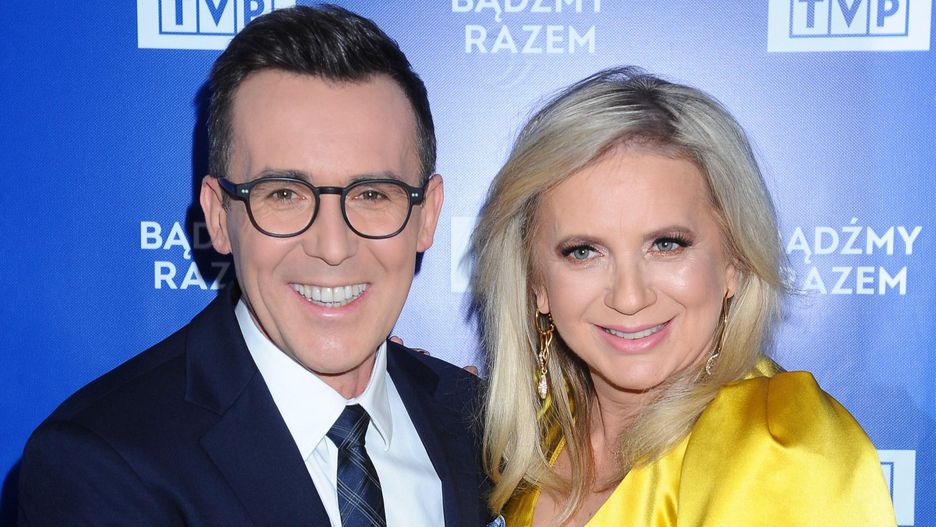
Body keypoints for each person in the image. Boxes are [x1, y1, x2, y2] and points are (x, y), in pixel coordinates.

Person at [18, 6, 487, 526]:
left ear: (427, 215)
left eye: (372, 194)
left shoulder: (482, 426)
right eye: (284, 194)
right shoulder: (102, 464)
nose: (333, 246)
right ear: (219, 216)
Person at [470, 67, 896, 526]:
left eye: (666, 244)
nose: (629, 297)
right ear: (536, 283)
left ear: (733, 261)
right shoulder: (534, 445)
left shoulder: (781, 448)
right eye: (584, 251)